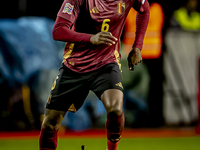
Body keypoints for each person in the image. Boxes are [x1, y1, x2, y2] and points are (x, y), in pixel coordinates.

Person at [39, 0, 150, 150]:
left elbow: (144, 8)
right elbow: (58, 31)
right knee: (50, 123)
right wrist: (90, 38)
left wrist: (137, 47)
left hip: (106, 64)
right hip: (75, 67)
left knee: (116, 108)